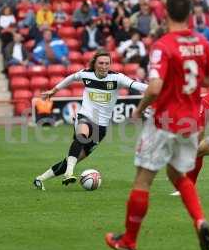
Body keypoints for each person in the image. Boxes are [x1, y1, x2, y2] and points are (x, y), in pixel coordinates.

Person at [105, 0, 209, 250]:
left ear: (165, 14)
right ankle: (200, 220)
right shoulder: (202, 42)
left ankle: (129, 240)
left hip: (165, 121)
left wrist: (140, 107)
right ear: (190, 14)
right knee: (177, 174)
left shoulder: (164, 45)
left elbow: (155, 87)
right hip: (191, 123)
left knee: (143, 180)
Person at [33, 49, 148, 190]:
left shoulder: (117, 78)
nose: (104, 66)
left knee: (73, 159)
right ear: (95, 64)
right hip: (85, 116)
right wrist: (54, 90)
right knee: (82, 136)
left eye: (107, 63)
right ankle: (69, 173)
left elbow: (137, 85)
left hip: (101, 127)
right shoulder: (86, 74)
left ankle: (40, 179)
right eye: (101, 63)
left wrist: (158, 88)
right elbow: (71, 78)